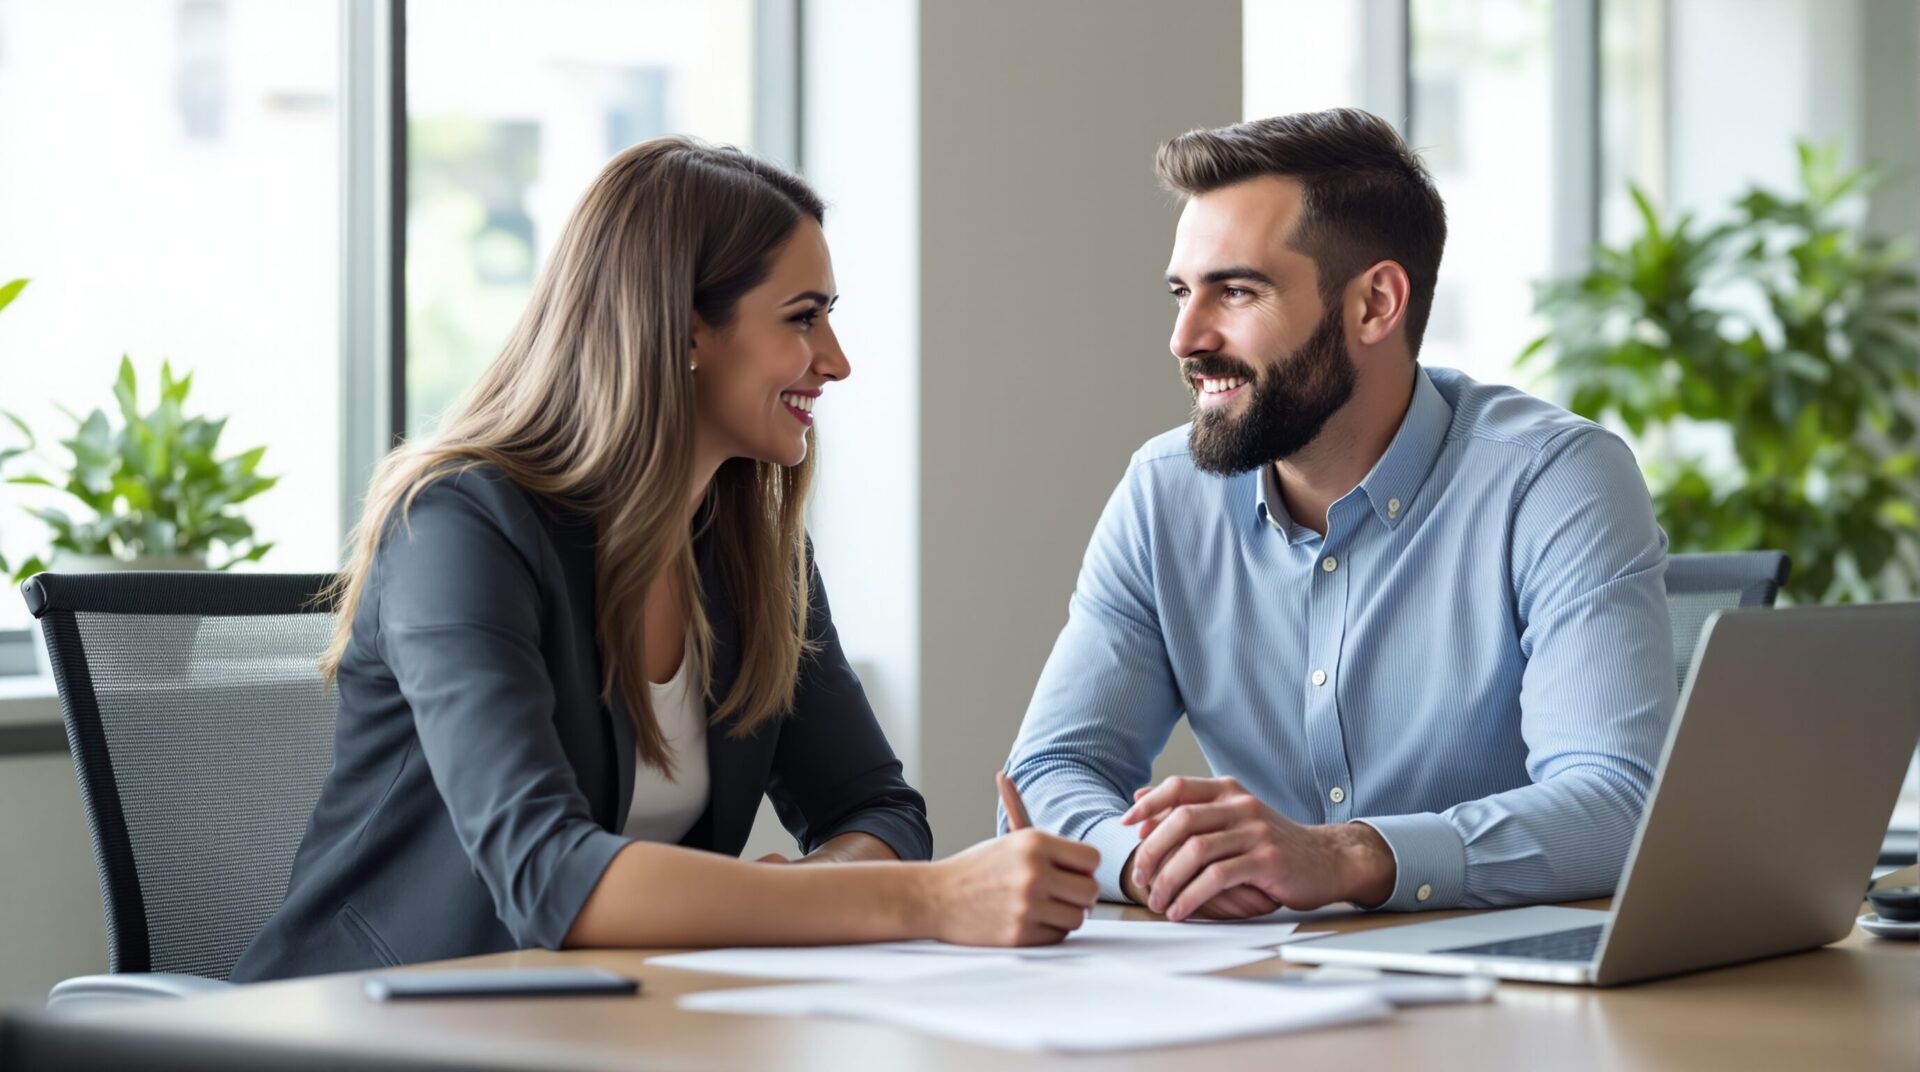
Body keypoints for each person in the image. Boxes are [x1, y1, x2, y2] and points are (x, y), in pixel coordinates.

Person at [234, 138, 1097, 981]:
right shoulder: (459, 526)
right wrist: (926, 900)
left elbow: (878, 809)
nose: (836, 361)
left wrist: (822, 887)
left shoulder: (757, 556)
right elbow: (546, 873)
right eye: (804, 317)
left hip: (601, 1023)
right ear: (685, 329)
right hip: (359, 1022)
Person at [1001, 108, 1676, 922]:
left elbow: (1620, 803)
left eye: (1236, 291)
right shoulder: (1163, 494)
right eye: (1182, 293)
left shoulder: (1554, 481)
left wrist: (1347, 857)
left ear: (1374, 304)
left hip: (1498, 971)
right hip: (1259, 971)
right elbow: (1047, 773)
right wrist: (1156, 865)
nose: (1185, 338)